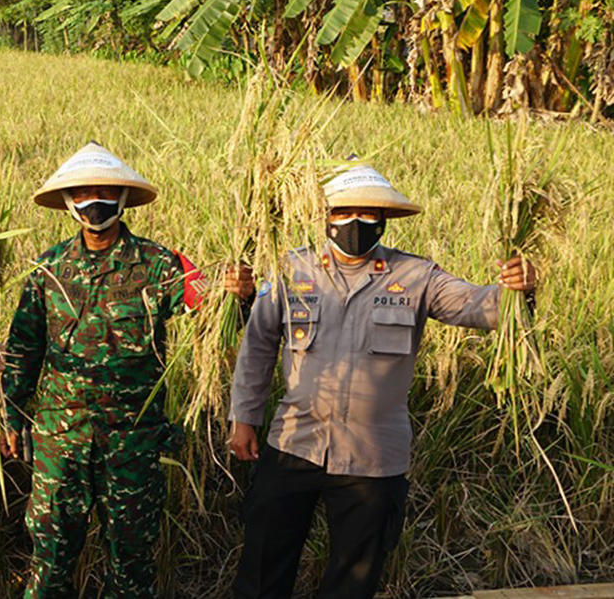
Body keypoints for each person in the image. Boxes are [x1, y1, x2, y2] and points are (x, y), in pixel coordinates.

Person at [227, 162, 539, 599]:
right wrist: (244, 418)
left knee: (353, 581)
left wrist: (516, 291)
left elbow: (477, 306)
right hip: (294, 444)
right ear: (326, 216)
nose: (355, 222)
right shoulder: (290, 270)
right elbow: (258, 346)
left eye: (369, 213)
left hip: (372, 457)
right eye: (344, 212)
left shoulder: (415, 276)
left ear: (385, 220)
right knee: (262, 570)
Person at [0, 141, 254, 598]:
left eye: (104, 191)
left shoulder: (161, 265)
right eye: (83, 193)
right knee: (50, 561)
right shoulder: (47, 269)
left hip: (132, 446)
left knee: (132, 567)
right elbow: (24, 350)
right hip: (62, 444)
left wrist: (240, 295)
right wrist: (11, 415)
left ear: (121, 197)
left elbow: (213, 315)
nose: (93, 201)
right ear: (68, 202)